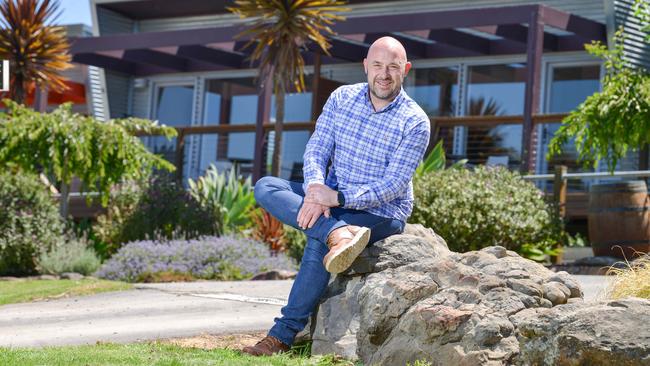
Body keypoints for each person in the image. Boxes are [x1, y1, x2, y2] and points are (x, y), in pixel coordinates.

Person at [242, 36, 430, 356]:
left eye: (393, 67)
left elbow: (393, 186)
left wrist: (337, 199)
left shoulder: (415, 121)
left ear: (406, 70)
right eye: (378, 66)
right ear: (365, 67)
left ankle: (281, 336)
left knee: (316, 241)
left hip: (382, 212)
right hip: (329, 196)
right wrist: (316, 191)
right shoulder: (342, 97)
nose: (384, 74)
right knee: (266, 186)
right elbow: (317, 148)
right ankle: (336, 233)